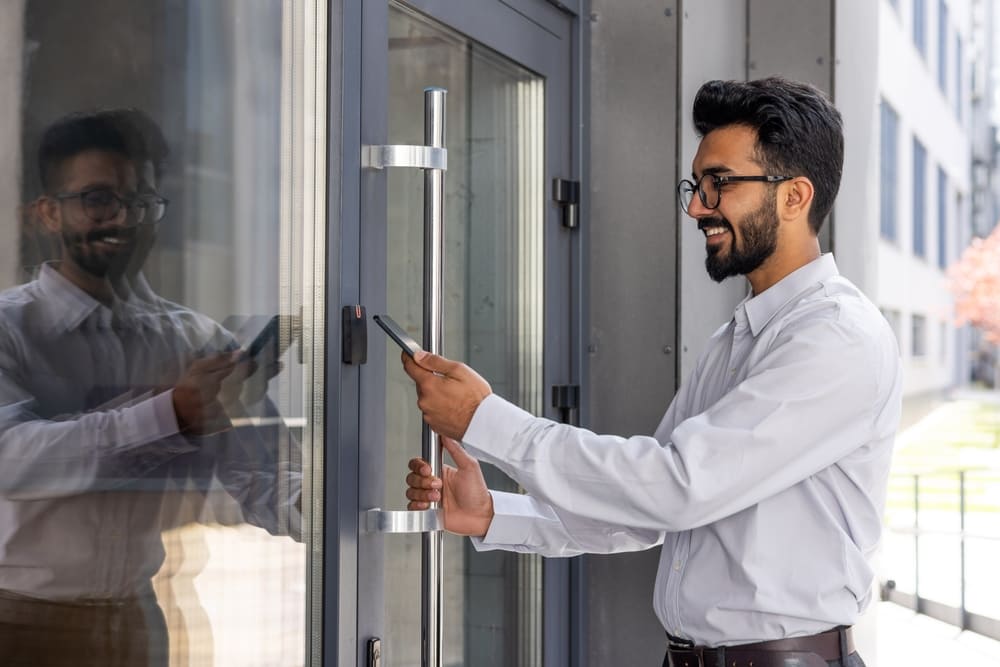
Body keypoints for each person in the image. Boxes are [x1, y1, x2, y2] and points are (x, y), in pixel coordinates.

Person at [402, 77, 902, 667]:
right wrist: (496, 515)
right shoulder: (735, 340)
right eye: (696, 185)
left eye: (720, 183)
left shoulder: (835, 337)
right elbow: (646, 511)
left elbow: (675, 488)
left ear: (794, 197)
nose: (696, 206)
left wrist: (488, 421)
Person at [0, 110, 298, 666]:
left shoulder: (194, 337)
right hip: (19, 622)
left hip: (140, 620)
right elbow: (10, 460)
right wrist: (170, 412)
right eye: (98, 199)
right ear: (47, 213)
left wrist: (344, 514)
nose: (124, 218)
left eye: (141, 203)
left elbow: (259, 473)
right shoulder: (7, 328)